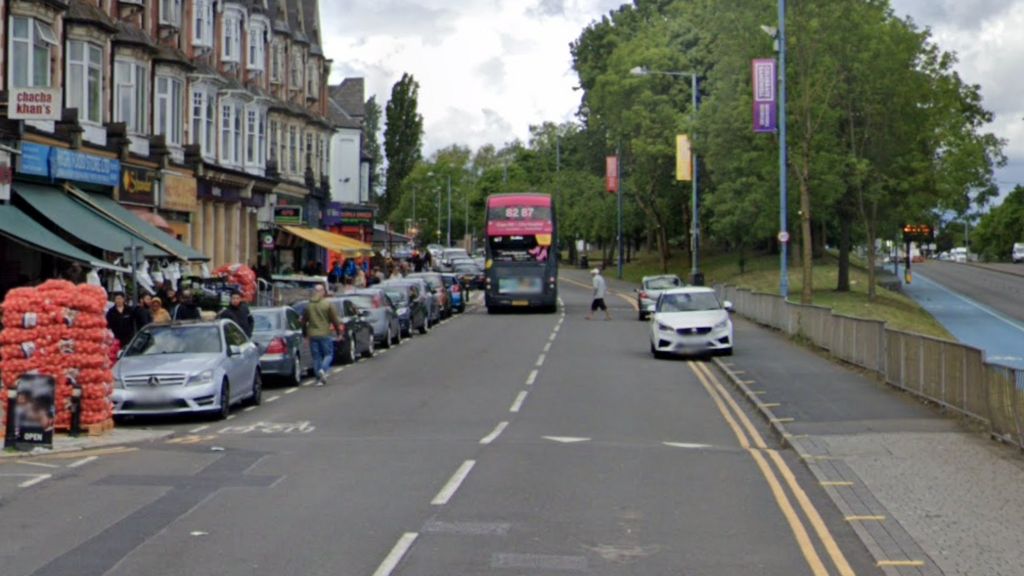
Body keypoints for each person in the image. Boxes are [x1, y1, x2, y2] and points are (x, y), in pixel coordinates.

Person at [300, 284, 343, 385]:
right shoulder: (327, 304)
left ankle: (319, 379)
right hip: (324, 333)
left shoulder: (308, 305)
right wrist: (339, 333)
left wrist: (305, 334)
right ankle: (323, 370)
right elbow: (334, 320)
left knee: (316, 357)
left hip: (312, 335)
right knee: (329, 354)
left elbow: (303, 321)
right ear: (322, 291)